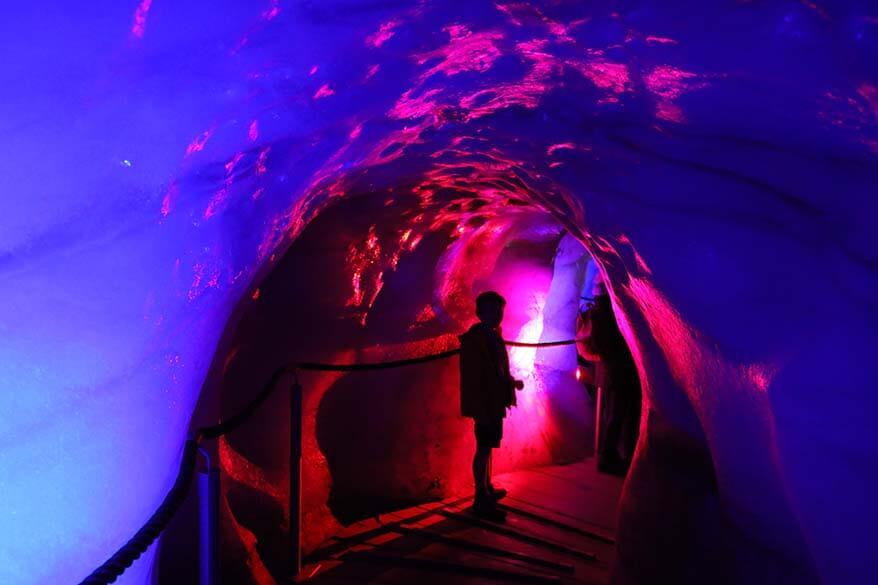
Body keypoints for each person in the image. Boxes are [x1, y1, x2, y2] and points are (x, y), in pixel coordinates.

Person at [458, 291, 524, 521]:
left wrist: (509, 382)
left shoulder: (491, 336)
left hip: (491, 401)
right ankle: (480, 496)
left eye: (500, 311)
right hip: (485, 402)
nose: (498, 315)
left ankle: (486, 488)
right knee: (483, 448)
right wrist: (490, 396)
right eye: (493, 311)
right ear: (480, 313)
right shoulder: (478, 339)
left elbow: (495, 369)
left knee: (487, 447)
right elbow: (479, 374)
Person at [580, 292, 641, 475]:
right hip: (617, 370)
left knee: (616, 414)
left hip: (614, 370)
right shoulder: (605, 312)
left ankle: (613, 455)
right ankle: (609, 457)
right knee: (616, 414)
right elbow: (607, 344)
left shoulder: (601, 312)